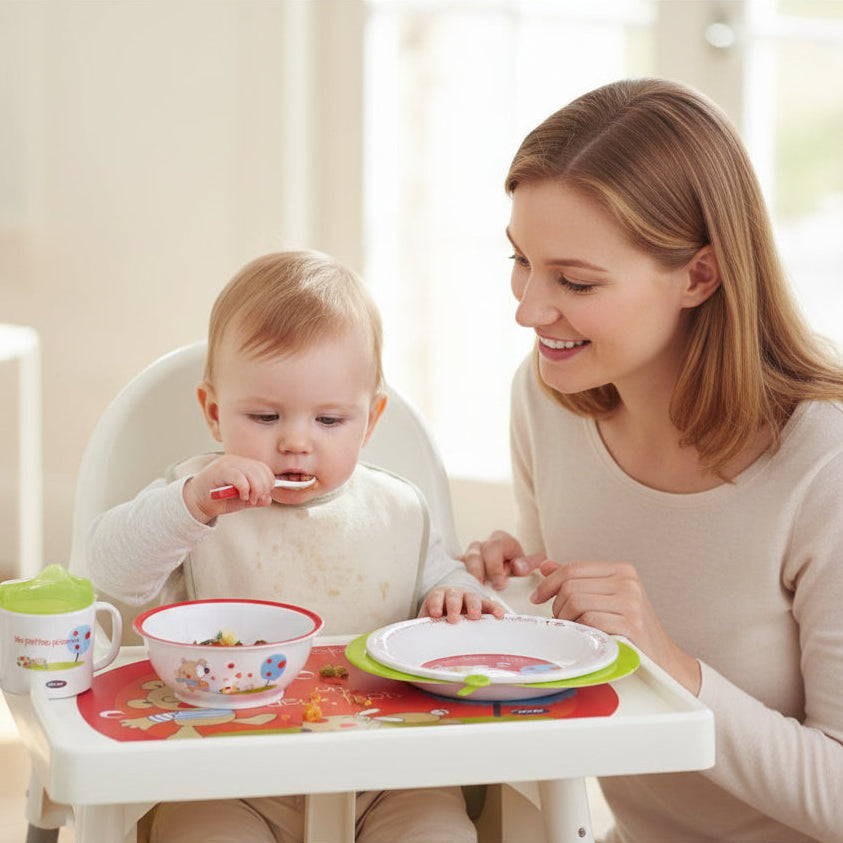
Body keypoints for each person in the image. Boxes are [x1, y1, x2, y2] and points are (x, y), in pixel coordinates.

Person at [461, 78, 843, 843]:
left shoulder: (822, 458)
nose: (529, 308)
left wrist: (668, 660)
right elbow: (581, 665)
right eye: (521, 261)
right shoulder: (546, 399)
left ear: (698, 276)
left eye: (573, 280)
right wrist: (507, 603)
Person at [89, 249, 503, 843]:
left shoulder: (396, 509)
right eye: (263, 415)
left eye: (330, 421)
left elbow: (434, 578)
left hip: (387, 769)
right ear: (213, 411)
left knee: (438, 831)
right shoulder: (198, 499)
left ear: (372, 418)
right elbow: (110, 571)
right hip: (224, 767)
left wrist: (459, 594)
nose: (295, 442)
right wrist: (190, 504)